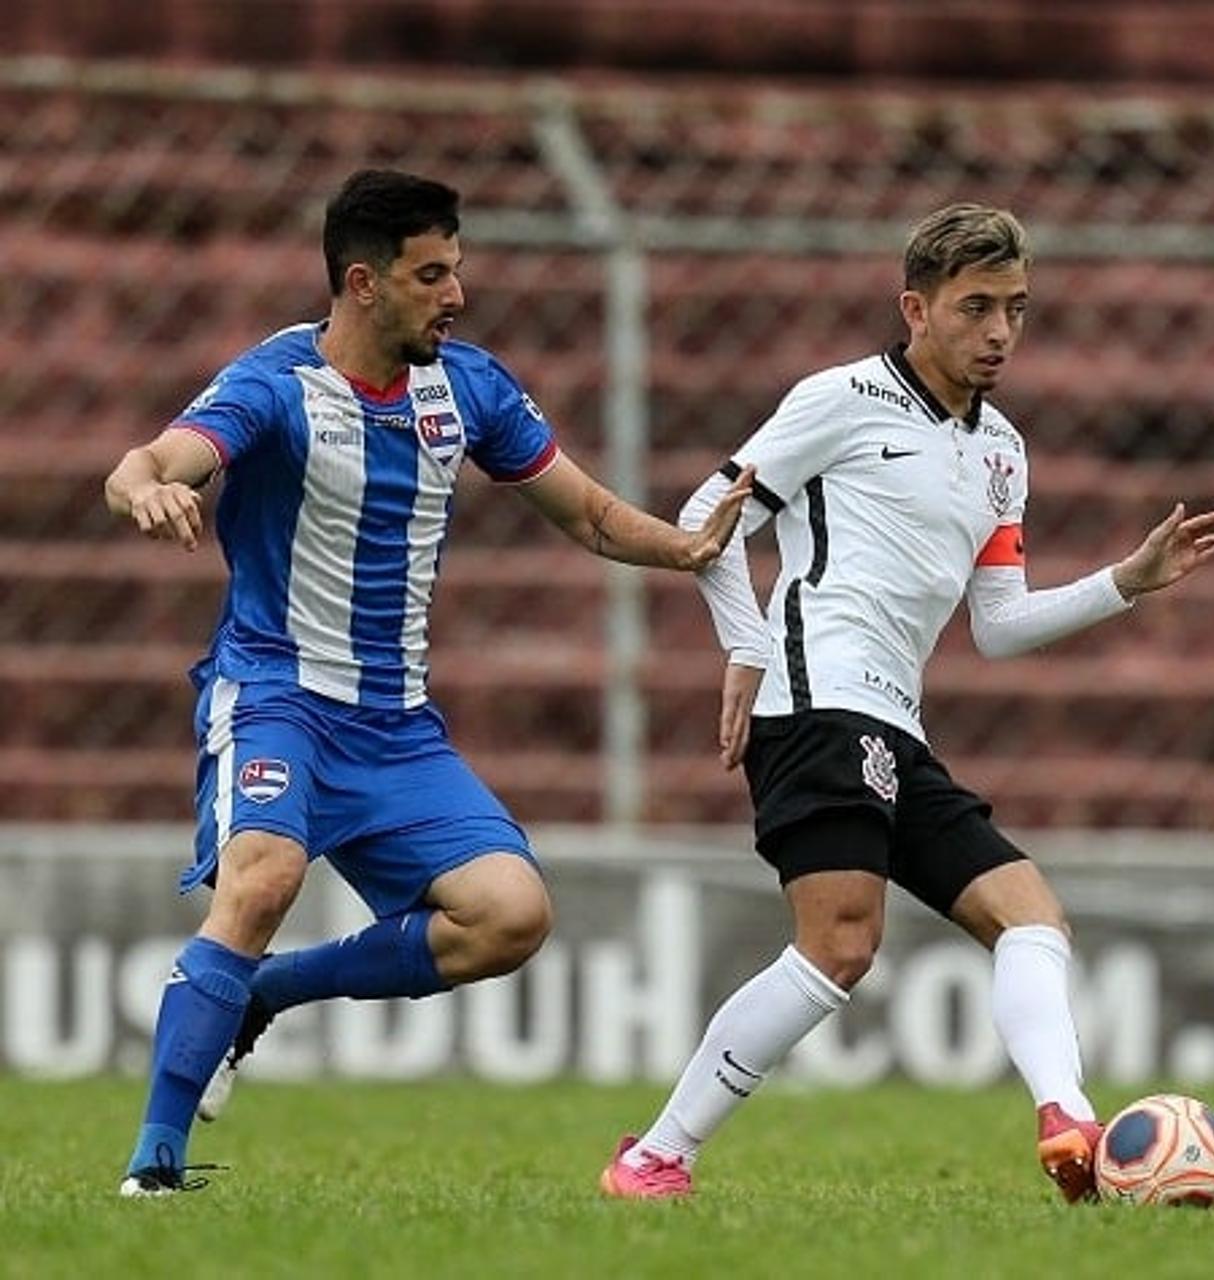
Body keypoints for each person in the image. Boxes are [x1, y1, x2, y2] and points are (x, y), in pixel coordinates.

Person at [103, 169, 754, 1196]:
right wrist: (146, 488)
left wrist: (681, 549)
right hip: (277, 692)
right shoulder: (276, 385)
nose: (457, 294)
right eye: (432, 274)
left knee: (510, 913)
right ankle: (154, 1167)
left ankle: (261, 996)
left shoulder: (470, 387)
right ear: (363, 284)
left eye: (456, 270)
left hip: (396, 725)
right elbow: (155, 457)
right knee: (263, 876)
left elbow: (582, 511)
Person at [599, 203, 1214, 1203]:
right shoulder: (841, 397)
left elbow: (998, 622)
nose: (998, 332)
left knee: (1030, 915)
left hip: (894, 719)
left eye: (1016, 310)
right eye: (976, 307)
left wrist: (1126, 579)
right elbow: (702, 517)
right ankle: (656, 1156)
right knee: (840, 944)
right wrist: (745, 647)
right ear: (917, 308)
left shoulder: (1003, 452)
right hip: (815, 699)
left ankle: (1068, 1121)